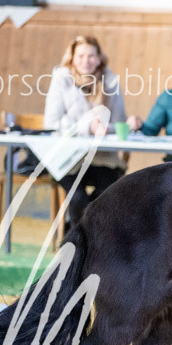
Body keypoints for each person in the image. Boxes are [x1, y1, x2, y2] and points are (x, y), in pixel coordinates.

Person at [44, 35, 128, 226]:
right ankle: (75, 243)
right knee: (77, 197)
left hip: (102, 157)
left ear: (99, 58)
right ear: (72, 58)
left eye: (91, 56)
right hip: (68, 158)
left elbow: (119, 123)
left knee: (110, 195)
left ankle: (87, 235)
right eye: (80, 56)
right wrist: (86, 128)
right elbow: (52, 122)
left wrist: (108, 128)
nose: (86, 61)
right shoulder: (61, 80)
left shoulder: (111, 82)